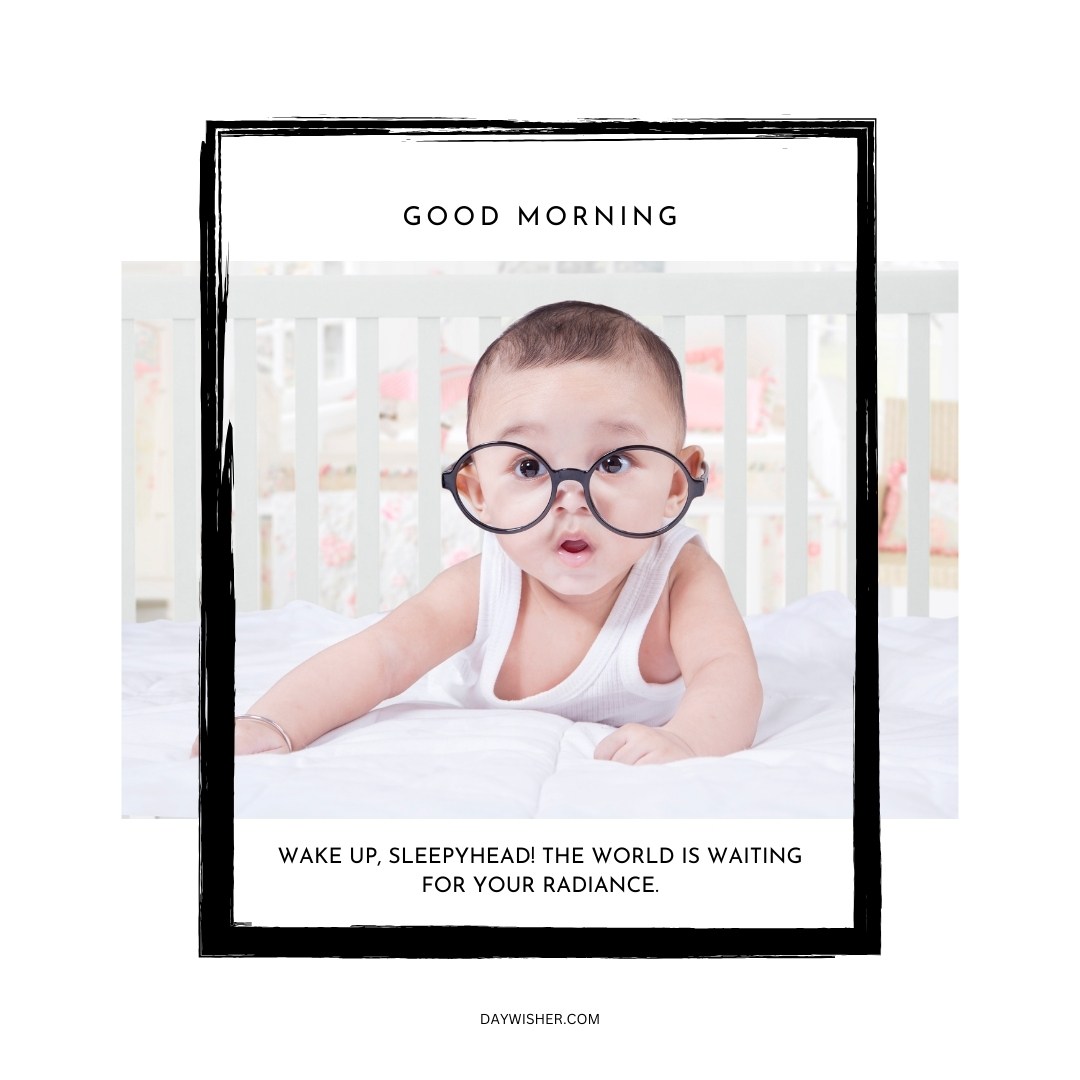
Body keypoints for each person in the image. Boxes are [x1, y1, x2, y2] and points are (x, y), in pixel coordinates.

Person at [200, 301, 762, 765]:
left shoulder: (678, 577)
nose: (571, 496)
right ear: (475, 492)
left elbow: (727, 673)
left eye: (613, 463)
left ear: (677, 482)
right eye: (528, 467)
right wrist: (273, 724)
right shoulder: (483, 587)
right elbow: (383, 655)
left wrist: (687, 742)